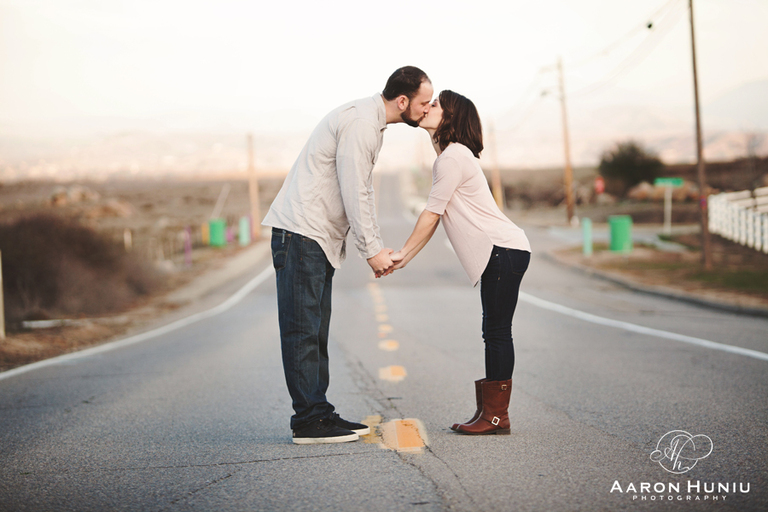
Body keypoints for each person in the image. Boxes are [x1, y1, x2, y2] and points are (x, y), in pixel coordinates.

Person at [262, 66, 433, 445]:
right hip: (302, 234)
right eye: (423, 102)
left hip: (315, 238)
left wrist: (371, 243)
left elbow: (363, 192)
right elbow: (354, 189)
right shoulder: (360, 123)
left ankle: (317, 413)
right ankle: (307, 421)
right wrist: (371, 251)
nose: (427, 109)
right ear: (402, 100)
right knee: (302, 331)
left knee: (315, 331)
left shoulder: (369, 123)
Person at [389, 90, 531, 435]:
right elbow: (435, 217)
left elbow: (431, 213)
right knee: (493, 332)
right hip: (504, 250)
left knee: (496, 332)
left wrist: (402, 255)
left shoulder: (452, 157)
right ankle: (489, 413)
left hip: (503, 249)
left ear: (451, 117)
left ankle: (496, 417)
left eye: (436, 104)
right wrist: (404, 257)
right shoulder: (452, 156)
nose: (428, 107)